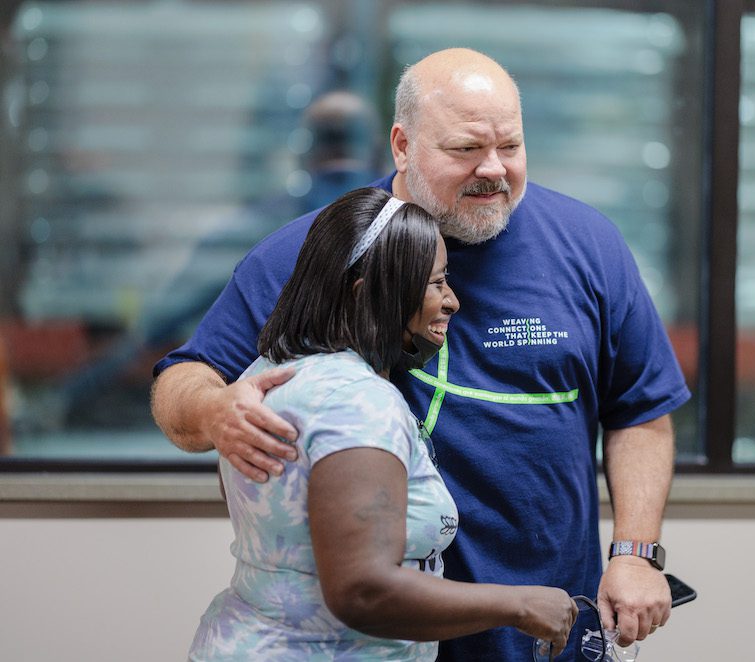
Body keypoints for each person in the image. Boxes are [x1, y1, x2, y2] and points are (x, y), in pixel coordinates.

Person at [154, 48, 691, 661]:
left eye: (510, 147)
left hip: (543, 626)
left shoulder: (588, 245)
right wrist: (216, 411)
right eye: (465, 149)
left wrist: (635, 553)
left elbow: (641, 411)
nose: (493, 169)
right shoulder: (325, 251)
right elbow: (181, 382)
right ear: (403, 145)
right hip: (372, 637)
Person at [188, 187, 577, 660]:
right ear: (366, 292)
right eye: (436, 284)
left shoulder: (265, 374)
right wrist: (520, 604)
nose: (452, 300)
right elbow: (363, 591)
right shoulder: (357, 403)